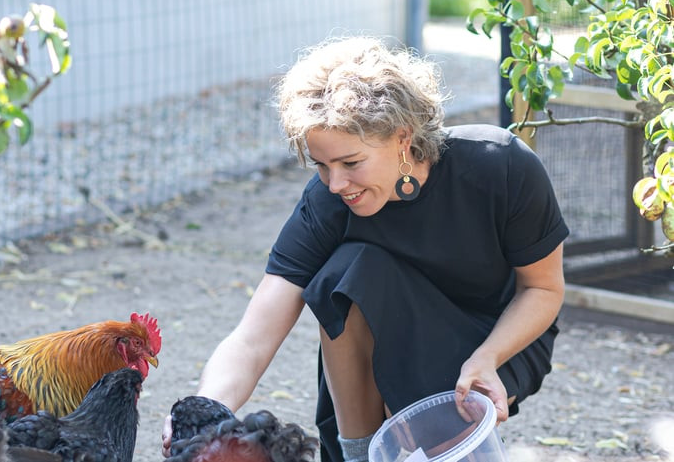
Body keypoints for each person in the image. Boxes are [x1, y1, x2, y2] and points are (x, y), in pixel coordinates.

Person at [161, 36, 569, 462]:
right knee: (348, 273)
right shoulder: (328, 203)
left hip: (498, 336)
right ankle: (361, 455)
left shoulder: (500, 165)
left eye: (351, 163)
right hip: (387, 343)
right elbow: (253, 337)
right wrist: (202, 410)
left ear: (402, 138)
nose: (336, 184)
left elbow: (542, 290)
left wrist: (489, 357)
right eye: (321, 165)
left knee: (370, 290)